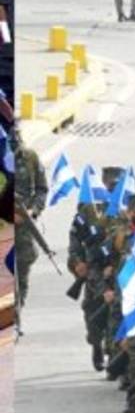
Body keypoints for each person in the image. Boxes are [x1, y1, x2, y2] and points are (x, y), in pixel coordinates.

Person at [12, 123, 48, 313]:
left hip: (24, 226)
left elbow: (42, 189)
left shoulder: (30, 157)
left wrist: (33, 211)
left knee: (22, 271)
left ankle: (16, 313)